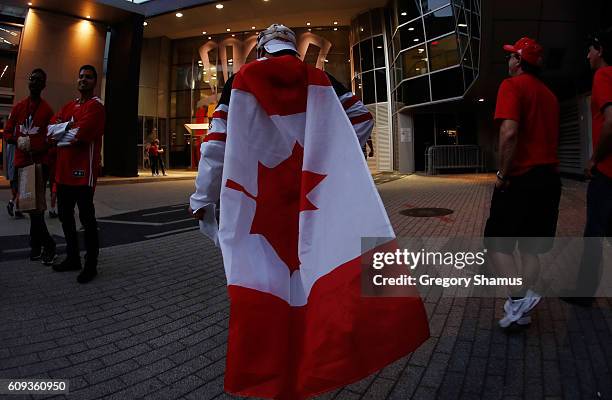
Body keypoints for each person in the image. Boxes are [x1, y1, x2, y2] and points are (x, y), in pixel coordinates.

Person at [484, 37, 561, 328]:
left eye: (510, 57)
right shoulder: (550, 95)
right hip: (549, 181)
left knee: (496, 245)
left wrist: (503, 174)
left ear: (518, 61)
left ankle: (517, 298)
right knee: (530, 248)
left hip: (520, 180)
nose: (507, 61)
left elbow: (509, 133)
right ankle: (520, 309)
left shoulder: (512, 86)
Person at [562, 29, 612, 307]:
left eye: (591, 50)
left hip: (607, 172)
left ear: (600, 50)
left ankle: (584, 293)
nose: (587, 55)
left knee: (594, 233)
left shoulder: (604, 76)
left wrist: (595, 159)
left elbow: (611, 122)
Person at [47, 65, 105, 284]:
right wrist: (65, 130)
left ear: (94, 82)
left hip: (83, 174)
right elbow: (49, 131)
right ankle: (73, 257)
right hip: (63, 174)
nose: (83, 80)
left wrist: (64, 132)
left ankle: (91, 264)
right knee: (65, 216)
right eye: (80, 76)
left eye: (88, 77)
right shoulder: (68, 106)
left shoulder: (96, 107)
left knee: (87, 219)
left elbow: (81, 135)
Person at [3, 68, 56, 264]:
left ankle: (44, 246)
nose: (34, 82)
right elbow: (7, 132)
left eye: (38, 80)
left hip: (38, 166)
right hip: (20, 165)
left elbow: (50, 139)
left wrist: (34, 145)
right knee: (28, 207)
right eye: (32, 78)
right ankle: (38, 247)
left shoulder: (47, 110)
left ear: (43, 85)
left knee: (36, 210)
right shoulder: (18, 108)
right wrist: (17, 141)